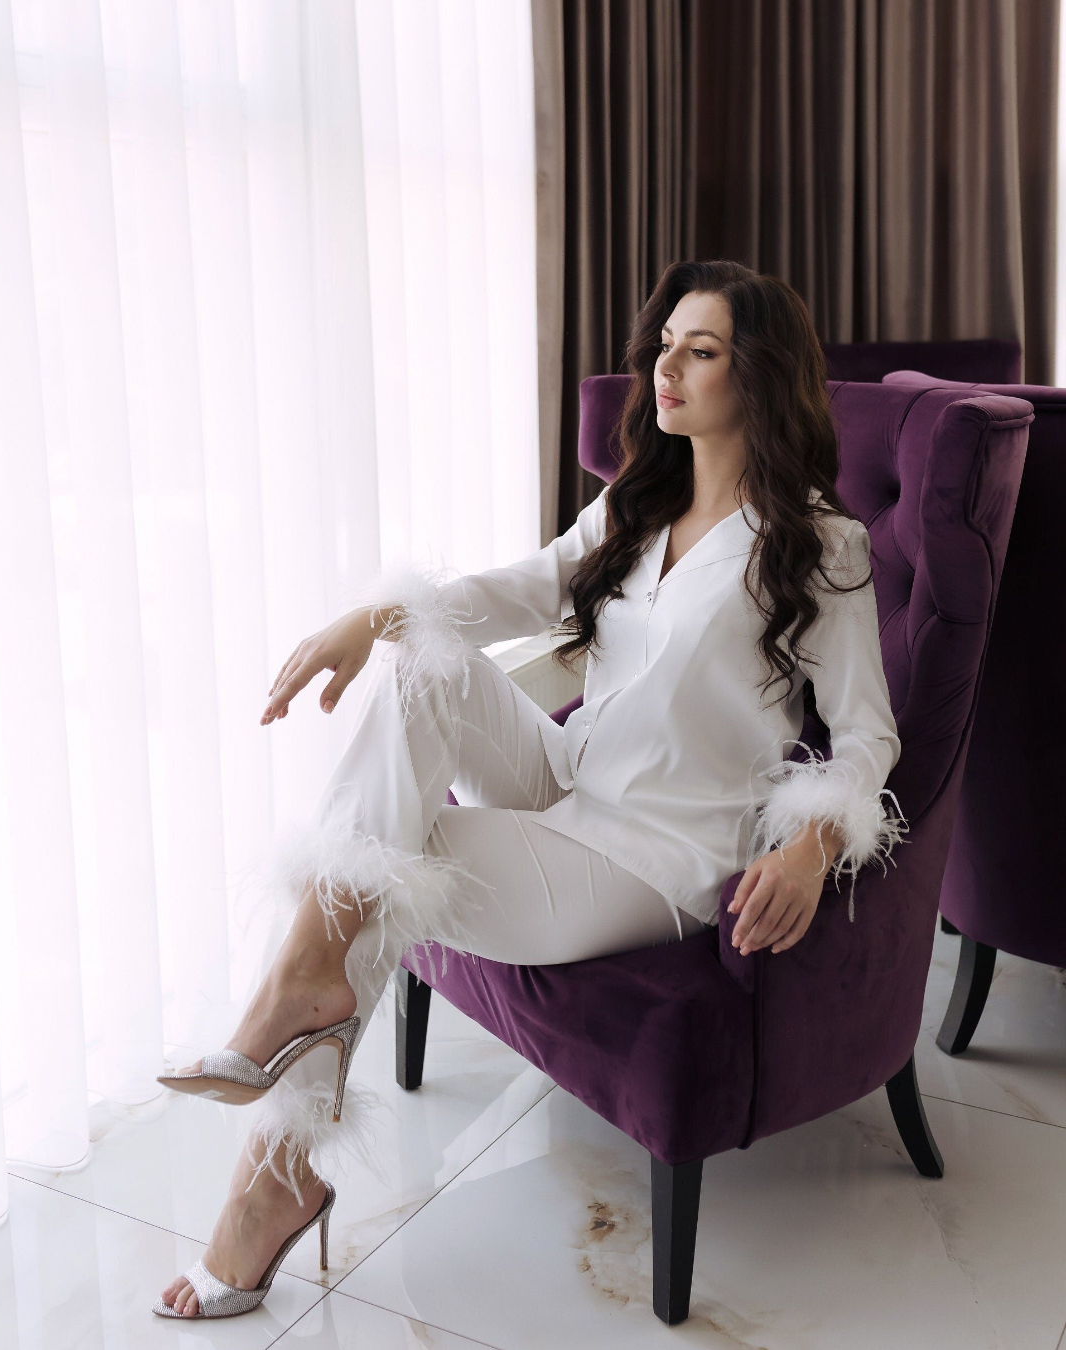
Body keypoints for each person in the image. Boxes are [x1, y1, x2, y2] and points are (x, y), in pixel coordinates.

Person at [153, 259, 906, 1318]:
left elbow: (871, 736)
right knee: (425, 662)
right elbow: (501, 595)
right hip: (570, 775)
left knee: (390, 858)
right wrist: (365, 620)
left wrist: (814, 843)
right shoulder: (632, 513)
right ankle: (302, 1005)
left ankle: (271, 1165)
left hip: (658, 854)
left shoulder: (823, 547)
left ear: (762, 375)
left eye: (701, 351)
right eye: (663, 347)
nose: (665, 369)